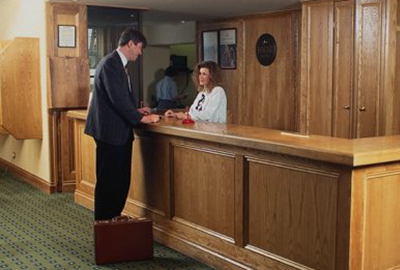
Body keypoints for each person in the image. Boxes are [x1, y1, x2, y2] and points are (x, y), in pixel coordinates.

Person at [85, 28, 160, 221]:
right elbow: (117, 99)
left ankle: (112, 220)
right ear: (131, 44)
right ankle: (105, 224)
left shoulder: (117, 64)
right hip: (111, 133)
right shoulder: (111, 64)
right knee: (110, 182)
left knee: (118, 181)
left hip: (114, 132)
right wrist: (142, 119)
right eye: (140, 48)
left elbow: (116, 99)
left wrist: (135, 111)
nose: (140, 53)